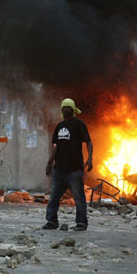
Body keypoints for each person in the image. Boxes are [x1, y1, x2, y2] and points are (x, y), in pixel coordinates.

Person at [44, 98, 93, 231]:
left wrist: (90, 159)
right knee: (54, 197)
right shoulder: (59, 127)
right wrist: (50, 163)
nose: (65, 109)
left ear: (73, 110)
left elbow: (88, 142)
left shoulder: (78, 124)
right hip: (59, 169)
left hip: (74, 170)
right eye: (64, 107)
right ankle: (52, 221)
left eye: (68, 107)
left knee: (79, 197)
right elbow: (57, 146)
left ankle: (81, 223)